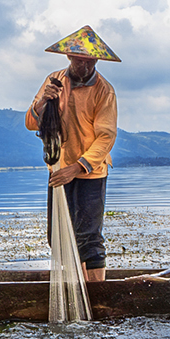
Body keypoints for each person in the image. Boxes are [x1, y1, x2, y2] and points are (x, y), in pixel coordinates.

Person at [25, 25, 120, 281]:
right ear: (69, 57)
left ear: (97, 61)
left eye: (90, 62)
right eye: (80, 61)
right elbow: (31, 123)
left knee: (89, 237)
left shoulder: (104, 90)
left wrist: (77, 167)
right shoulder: (54, 80)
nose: (85, 67)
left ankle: (95, 293)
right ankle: (74, 287)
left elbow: (106, 136)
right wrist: (42, 102)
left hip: (90, 171)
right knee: (57, 235)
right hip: (58, 168)